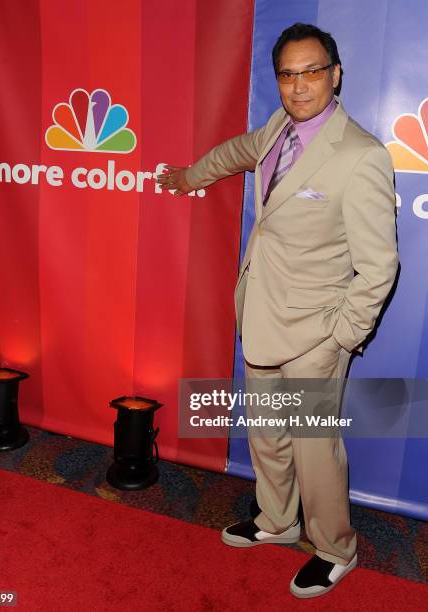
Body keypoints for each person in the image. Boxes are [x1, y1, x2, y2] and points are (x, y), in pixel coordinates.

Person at [157, 23, 398, 598]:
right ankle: (277, 520)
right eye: (288, 74)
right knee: (267, 434)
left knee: (315, 453)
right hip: (261, 315)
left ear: (335, 75)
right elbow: (239, 151)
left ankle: (336, 548)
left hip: (316, 334)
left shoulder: (362, 156)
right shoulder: (275, 130)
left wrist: (342, 336)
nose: (299, 85)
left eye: (312, 71)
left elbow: (379, 266)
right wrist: (192, 175)